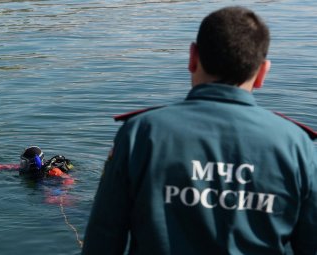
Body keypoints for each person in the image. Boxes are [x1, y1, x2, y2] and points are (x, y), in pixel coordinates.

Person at [82, 6, 317, 255]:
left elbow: (103, 240)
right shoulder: (297, 146)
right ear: (262, 72)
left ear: (193, 57)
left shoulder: (141, 134)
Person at [0, 146, 74, 184]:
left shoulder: (53, 171)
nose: (21, 164)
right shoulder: (28, 169)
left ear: (33, 163)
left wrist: (60, 192)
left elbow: (69, 180)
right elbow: (9, 167)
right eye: (22, 161)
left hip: (51, 185)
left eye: (24, 162)